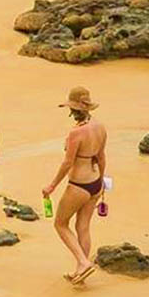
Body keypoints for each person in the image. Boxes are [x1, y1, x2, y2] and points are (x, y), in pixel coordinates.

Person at [42, 86, 107, 284]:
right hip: (95, 182)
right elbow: (101, 156)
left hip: (78, 184)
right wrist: (102, 181)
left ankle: (83, 262)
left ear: (72, 109)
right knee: (83, 226)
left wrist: (51, 186)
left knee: (61, 224)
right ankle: (81, 270)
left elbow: (67, 163)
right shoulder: (100, 127)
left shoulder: (76, 133)